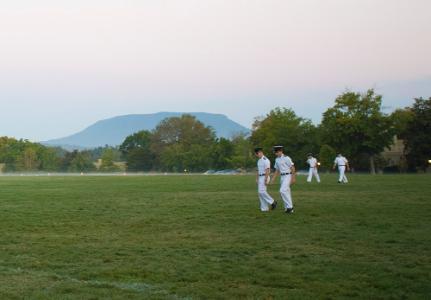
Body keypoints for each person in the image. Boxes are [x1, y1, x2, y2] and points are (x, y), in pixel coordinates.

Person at [270, 146, 295, 214]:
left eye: (276, 152)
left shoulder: (287, 158)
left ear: (280, 151)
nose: (275, 154)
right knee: (286, 192)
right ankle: (288, 209)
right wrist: (273, 179)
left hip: (288, 176)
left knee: (282, 191)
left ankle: (290, 207)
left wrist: (293, 178)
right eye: (275, 152)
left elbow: (292, 168)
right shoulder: (276, 159)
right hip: (282, 177)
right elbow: (277, 170)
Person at [254, 147, 277, 212]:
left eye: (257, 154)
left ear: (260, 152)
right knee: (260, 193)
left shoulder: (266, 160)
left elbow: (267, 170)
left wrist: (266, 179)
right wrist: (256, 178)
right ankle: (264, 208)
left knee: (262, 192)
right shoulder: (259, 161)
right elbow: (258, 170)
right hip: (260, 177)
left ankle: (273, 202)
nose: (257, 155)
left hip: (265, 177)